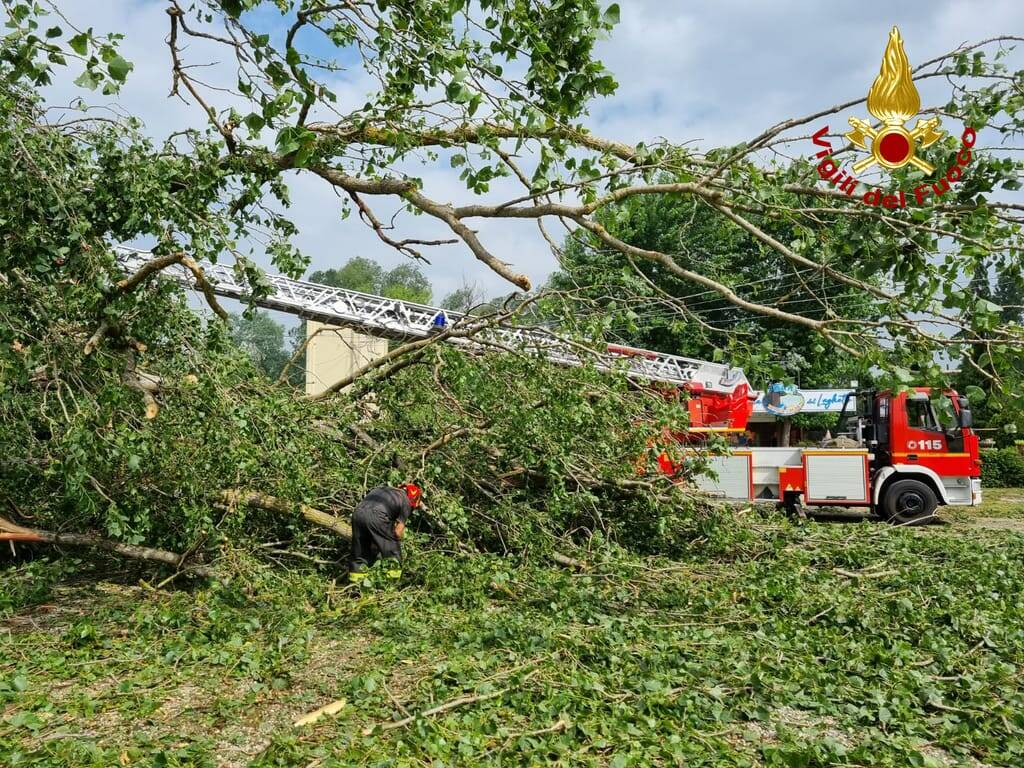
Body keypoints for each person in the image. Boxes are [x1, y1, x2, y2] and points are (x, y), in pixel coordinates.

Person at [348, 483, 421, 584]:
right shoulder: (405, 500)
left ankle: (356, 587)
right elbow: (398, 532)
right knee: (392, 550)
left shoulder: (382, 489)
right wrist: (397, 543)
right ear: (414, 498)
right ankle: (392, 584)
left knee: (361, 552)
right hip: (377, 516)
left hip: (357, 514)